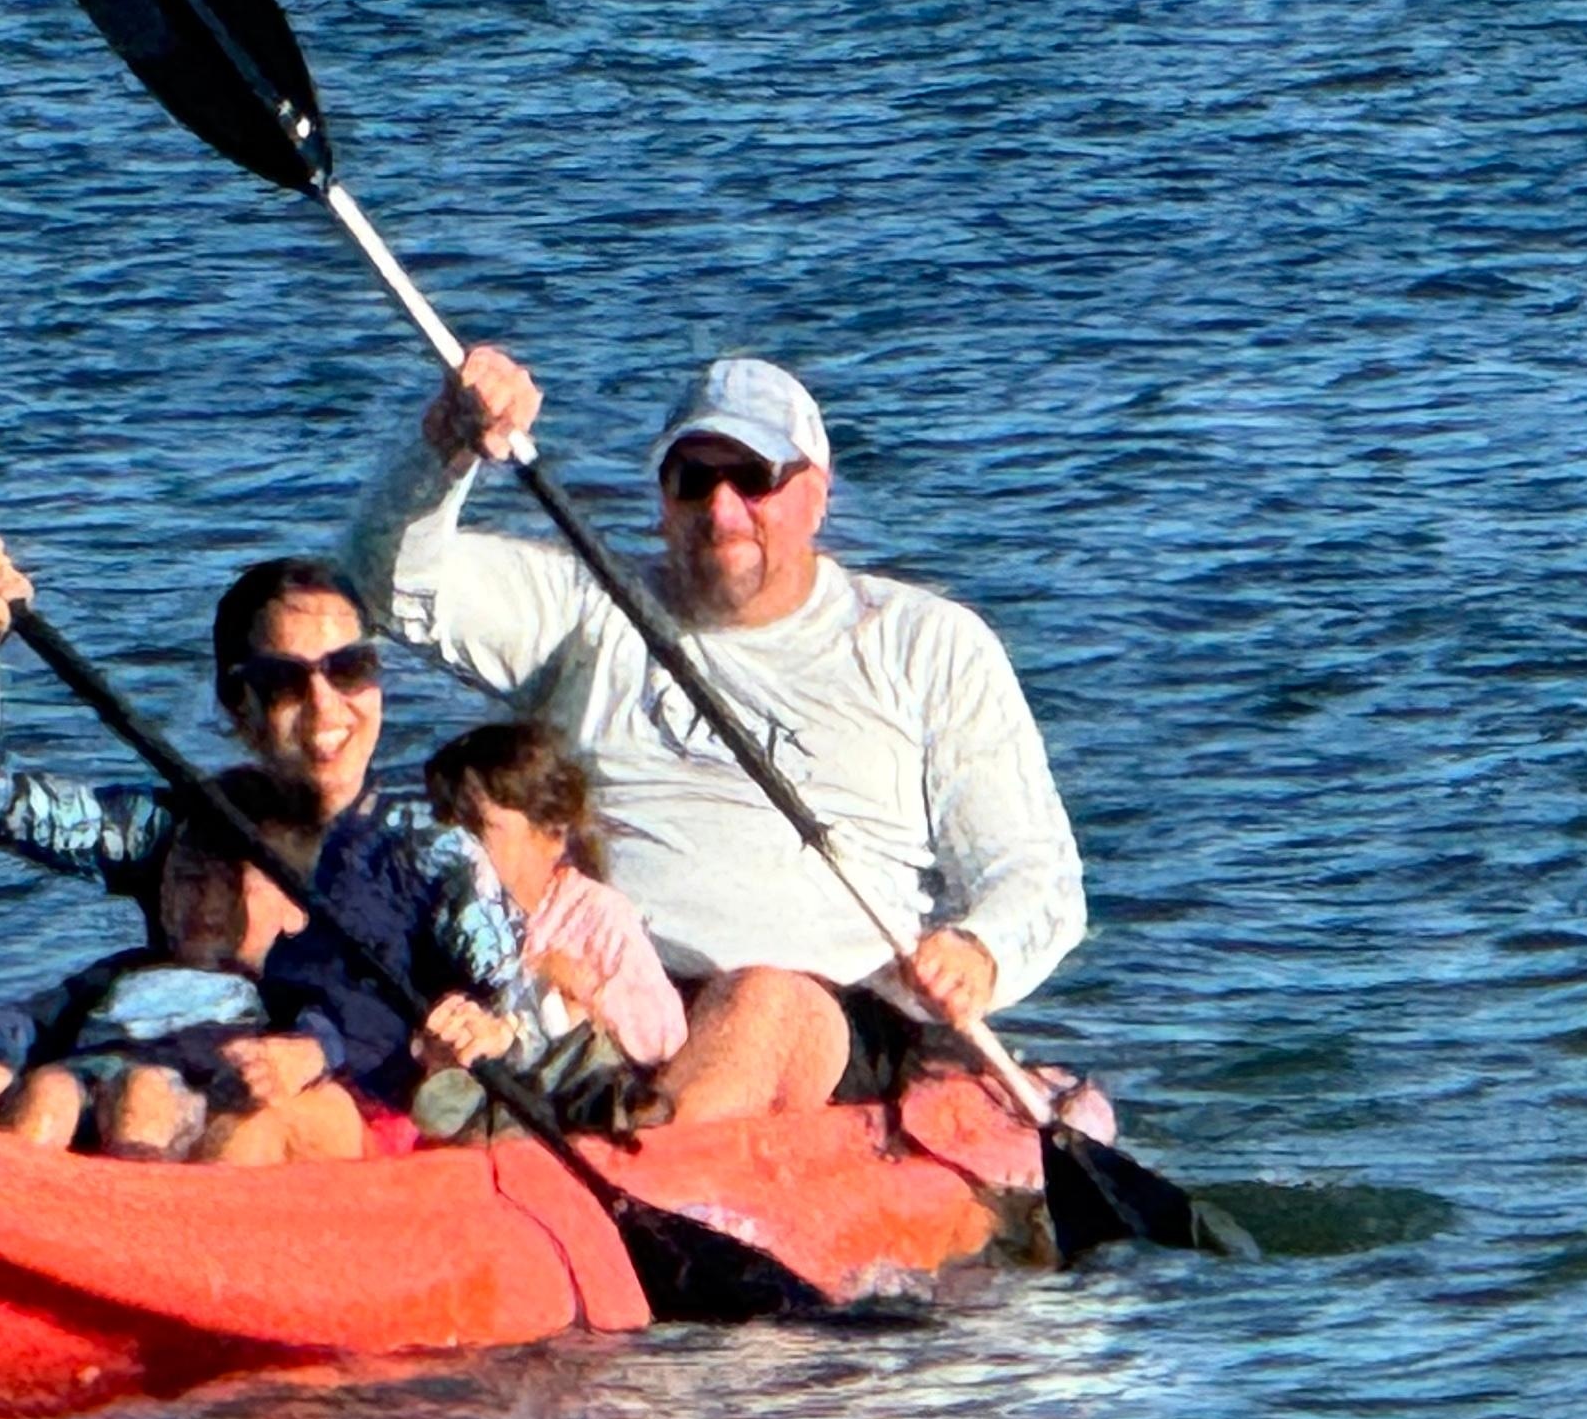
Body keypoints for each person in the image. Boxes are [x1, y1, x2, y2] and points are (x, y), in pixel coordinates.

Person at [347, 349, 1087, 1124]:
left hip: (822, 1016)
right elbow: (386, 584)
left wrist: (979, 950)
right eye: (694, 481)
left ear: (816, 495)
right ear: (663, 501)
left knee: (762, 998)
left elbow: (1036, 877)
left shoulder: (926, 643)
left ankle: (652, 1168)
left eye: (754, 478)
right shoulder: (589, 608)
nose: (722, 508)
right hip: (601, 987)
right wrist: (444, 445)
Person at [0, 546, 530, 1150]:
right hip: (170, 1089)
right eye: (283, 682)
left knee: (239, 1130)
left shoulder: (432, 856)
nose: (325, 704)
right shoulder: (183, 828)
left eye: (349, 668)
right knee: (35, 1094)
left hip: (334, 1133)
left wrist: (487, 1027)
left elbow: (518, 1002)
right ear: (236, 704)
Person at [0, 800, 362, 1162]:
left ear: (295, 909)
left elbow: (329, 1038)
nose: (206, 904)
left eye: (231, 884)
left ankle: (129, 1247)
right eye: (187, 879)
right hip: (83, 1082)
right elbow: (19, 1024)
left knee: (141, 1093)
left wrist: (304, 1055)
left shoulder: (279, 988)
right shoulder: (122, 972)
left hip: (186, 1095)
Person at [421, 719, 689, 1075]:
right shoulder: (444, 918)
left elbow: (662, 1036)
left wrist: (585, 987)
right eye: (446, 826)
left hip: (574, 1093)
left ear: (551, 835)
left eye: (476, 827)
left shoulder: (598, 915)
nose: (459, 844)